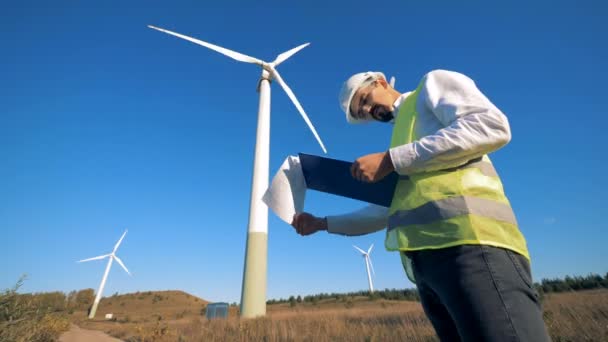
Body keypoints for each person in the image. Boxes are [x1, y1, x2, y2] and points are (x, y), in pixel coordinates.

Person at [291, 70, 551, 341]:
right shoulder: (401, 138)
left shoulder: (431, 85)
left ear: (380, 82)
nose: (369, 110)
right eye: (362, 112)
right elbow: (385, 212)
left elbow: (491, 125)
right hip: (426, 267)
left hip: (470, 245)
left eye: (366, 99)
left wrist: (392, 160)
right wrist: (323, 223)